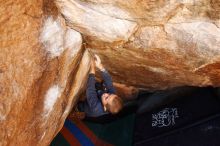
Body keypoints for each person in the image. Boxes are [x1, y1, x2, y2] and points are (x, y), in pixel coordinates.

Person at [77, 54, 123, 118]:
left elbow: (90, 91)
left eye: (107, 97)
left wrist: (92, 71)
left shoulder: (95, 108)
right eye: (110, 94)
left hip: (88, 109)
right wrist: (100, 66)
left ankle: (78, 108)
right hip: (98, 97)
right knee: (103, 87)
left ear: (104, 107)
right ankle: (98, 88)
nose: (107, 94)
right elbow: (109, 83)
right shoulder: (112, 97)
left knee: (81, 106)